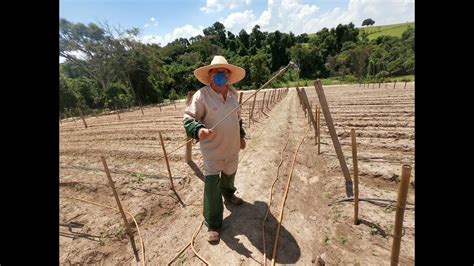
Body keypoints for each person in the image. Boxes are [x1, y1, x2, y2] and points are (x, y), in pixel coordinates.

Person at [183, 55, 247, 243]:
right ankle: (213, 223)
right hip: (213, 151)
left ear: (229, 74)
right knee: (212, 186)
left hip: (232, 147)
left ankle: (229, 195)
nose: (220, 74)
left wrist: (241, 136)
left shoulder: (234, 95)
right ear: (210, 75)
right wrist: (198, 130)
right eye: (216, 71)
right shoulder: (201, 95)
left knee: (230, 174)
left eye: (224, 71)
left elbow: (238, 119)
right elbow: (188, 118)